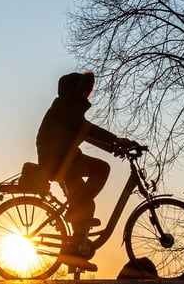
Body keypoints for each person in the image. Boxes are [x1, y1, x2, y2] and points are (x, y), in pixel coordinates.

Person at [36, 70, 136, 264]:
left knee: (85, 199)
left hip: (65, 160)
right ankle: (74, 231)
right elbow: (87, 130)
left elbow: (84, 133)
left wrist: (114, 146)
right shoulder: (66, 107)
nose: (87, 94)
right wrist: (116, 141)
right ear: (74, 91)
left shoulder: (67, 107)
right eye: (84, 90)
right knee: (98, 175)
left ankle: (75, 246)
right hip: (60, 162)